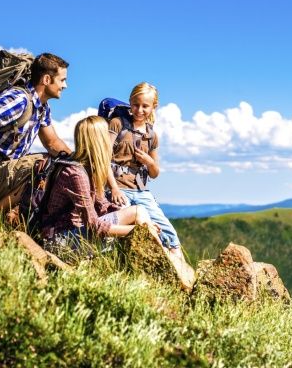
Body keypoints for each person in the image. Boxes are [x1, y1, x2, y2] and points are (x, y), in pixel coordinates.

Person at [0, 53, 72, 210]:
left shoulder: (42, 108)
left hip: (5, 174)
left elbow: (52, 142)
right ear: (46, 80)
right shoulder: (19, 99)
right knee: (41, 164)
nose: (65, 86)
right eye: (62, 80)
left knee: (57, 163)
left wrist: (77, 162)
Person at [40, 115, 161, 251]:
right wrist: (139, 230)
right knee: (138, 216)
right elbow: (94, 226)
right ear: (99, 141)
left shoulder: (89, 168)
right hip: (60, 241)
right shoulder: (76, 173)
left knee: (137, 211)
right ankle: (162, 264)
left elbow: (102, 206)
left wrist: (139, 222)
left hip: (75, 232)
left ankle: (160, 262)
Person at [106, 82, 187, 262]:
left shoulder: (151, 135)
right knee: (129, 230)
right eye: (136, 104)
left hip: (140, 191)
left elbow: (154, 173)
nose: (139, 110)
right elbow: (103, 158)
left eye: (145, 106)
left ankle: (177, 263)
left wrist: (149, 162)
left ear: (153, 107)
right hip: (118, 187)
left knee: (167, 231)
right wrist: (113, 188)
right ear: (130, 102)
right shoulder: (117, 124)